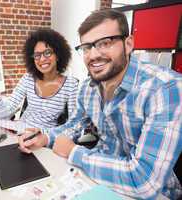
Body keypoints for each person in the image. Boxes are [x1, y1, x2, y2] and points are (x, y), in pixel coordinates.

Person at [18, 9, 182, 199]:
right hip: (98, 179)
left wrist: (74, 152)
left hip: (152, 193)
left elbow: (144, 181)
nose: (93, 55)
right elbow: (75, 125)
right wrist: (45, 137)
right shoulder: (89, 87)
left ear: (128, 44)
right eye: (87, 47)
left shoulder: (165, 88)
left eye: (105, 43)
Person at [0, 28, 79, 129]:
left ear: (58, 55)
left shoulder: (71, 84)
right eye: (37, 55)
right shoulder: (28, 78)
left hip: (44, 138)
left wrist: (50, 138)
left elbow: (74, 124)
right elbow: (5, 113)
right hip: (18, 131)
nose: (42, 59)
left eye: (47, 53)